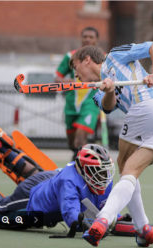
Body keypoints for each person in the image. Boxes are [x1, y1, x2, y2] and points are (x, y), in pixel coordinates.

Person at [69, 42, 153, 247]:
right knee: (131, 170)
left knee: (124, 165)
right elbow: (108, 106)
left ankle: (103, 219)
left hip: (151, 106)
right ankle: (143, 229)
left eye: (75, 68)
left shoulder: (114, 56)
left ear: (86, 60)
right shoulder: (96, 91)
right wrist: (110, 90)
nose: (75, 76)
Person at [0, 144, 117, 231]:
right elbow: (72, 217)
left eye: (105, 172)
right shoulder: (70, 184)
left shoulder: (92, 179)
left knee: (40, 176)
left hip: (49, 179)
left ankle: (3, 148)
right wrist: (94, 226)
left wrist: (113, 218)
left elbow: (107, 209)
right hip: (34, 197)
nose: (104, 177)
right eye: (99, 172)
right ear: (86, 170)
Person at [55, 27, 101, 159]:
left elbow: (108, 77)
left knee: (80, 139)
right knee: (72, 144)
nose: (87, 39)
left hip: (90, 104)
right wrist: (73, 81)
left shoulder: (102, 58)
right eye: (85, 36)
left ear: (96, 40)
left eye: (91, 37)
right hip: (71, 105)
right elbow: (57, 78)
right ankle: (79, 156)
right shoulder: (70, 56)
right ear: (81, 38)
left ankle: (79, 167)